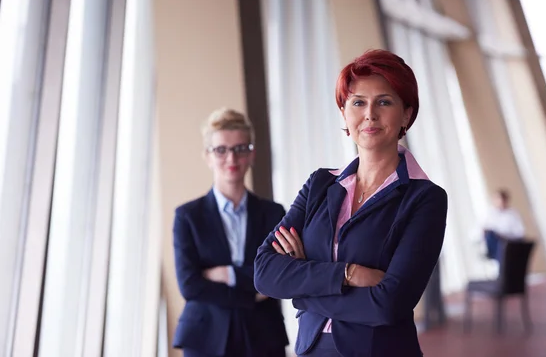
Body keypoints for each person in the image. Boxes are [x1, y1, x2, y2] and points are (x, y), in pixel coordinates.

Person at [254, 50, 448, 357]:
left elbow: (388, 304)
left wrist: (302, 288)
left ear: (406, 114)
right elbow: (265, 272)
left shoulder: (425, 198)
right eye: (358, 102)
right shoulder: (319, 184)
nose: (370, 114)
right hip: (312, 349)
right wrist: (348, 274)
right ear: (344, 112)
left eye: (384, 101)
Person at [172, 108, 288, 357]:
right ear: (208, 156)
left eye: (240, 148)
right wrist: (251, 295)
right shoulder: (187, 217)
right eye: (221, 150)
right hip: (205, 337)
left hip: (264, 335)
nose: (231, 159)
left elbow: (279, 275)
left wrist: (228, 274)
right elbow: (190, 285)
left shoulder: (274, 213)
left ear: (251, 154)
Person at [482, 189, 525, 262]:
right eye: (497, 199)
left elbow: (519, 233)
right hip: (495, 242)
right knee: (490, 235)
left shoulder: (513, 214)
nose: (500, 202)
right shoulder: (489, 215)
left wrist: (503, 236)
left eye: (502, 199)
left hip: (509, 242)